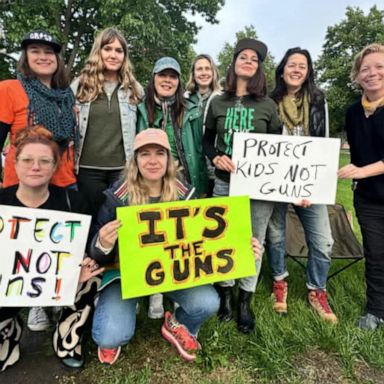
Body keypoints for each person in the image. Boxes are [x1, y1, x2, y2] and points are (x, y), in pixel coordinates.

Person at [89, 129, 219, 364]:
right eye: (144, 154)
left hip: (172, 273)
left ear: (169, 160)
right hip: (125, 276)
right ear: (135, 161)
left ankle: (177, 324)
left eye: (160, 154)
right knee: (109, 336)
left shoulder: (184, 195)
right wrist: (103, 243)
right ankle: (113, 310)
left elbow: (204, 241)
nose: (152, 161)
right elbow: (95, 253)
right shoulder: (117, 196)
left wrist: (240, 246)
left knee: (208, 302)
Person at [0, 126, 103, 371]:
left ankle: (68, 336)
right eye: (27, 160)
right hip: (10, 280)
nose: (35, 167)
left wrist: (85, 265)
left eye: (44, 161)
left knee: (92, 278)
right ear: (14, 164)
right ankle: (8, 330)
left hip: (62, 279)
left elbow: (88, 249)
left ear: (54, 166)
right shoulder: (2, 202)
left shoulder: (73, 202)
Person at [0, 29, 78, 332]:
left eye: (49, 52)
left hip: (63, 182)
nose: (43, 57)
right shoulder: (9, 89)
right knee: (26, 250)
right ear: (26, 57)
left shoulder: (66, 95)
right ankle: (33, 304)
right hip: (24, 187)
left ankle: (56, 298)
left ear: (58, 60)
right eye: (35, 51)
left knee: (56, 247)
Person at [203, 38, 281, 333]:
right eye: (243, 57)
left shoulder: (268, 105)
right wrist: (217, 157)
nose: (248, 61)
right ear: (234, 63)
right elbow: (206, 140)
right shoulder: (217, 101)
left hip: (259, 187)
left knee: (255, 242)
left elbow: (278, 148)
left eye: (254, 59)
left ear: (259, 68)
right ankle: (224, 294)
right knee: (225, 239)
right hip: (225, 183)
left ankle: (245, 299)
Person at [265, 47, 337, 324]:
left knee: (323, 240)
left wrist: (311, 187)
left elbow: (325, 144)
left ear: (308, 72)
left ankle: (316, 288)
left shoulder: (318, 101)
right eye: (291, 64)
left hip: (309, 184)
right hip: (274, 182)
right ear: (282, 69)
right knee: (276, 235)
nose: (296, 69)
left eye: (302, 66)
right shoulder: (270, 101)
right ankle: (279, 280)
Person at [71, 27, 142, 217]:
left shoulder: (134, 89)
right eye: (107, 49)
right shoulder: (80, 86)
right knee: (91, 221)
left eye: (119, 51)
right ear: (98, 52)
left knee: (120, 222)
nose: (113, 55)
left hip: (122, 170)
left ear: (124, 56)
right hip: (87, 169)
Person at [338, 43, 384, 330]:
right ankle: (376, 310)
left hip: (370, 182)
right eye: (365, 69)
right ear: (357, 76)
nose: (372, 73)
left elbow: (363, 164)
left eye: (379, 67)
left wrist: (362, 171)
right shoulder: (353, 112)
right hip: (367, 199)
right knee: (375, 255)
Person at [136, 57, 208, 197]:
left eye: (173, 77)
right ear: (154, 78)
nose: (167, 80)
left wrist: (202, 188)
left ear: (178, 82)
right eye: (162, 75)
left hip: (182, 181)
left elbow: (199, 153)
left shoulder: (192, 111)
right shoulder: (139, 109)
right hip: (148, 181)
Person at [185, 54, 222, 196]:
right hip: (192, 164)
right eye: (199, 69)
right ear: (193, 74)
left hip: (213, 164)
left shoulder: (222, 99)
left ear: (213, 73)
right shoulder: (184, 99)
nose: (204, 72)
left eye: (208, 68)